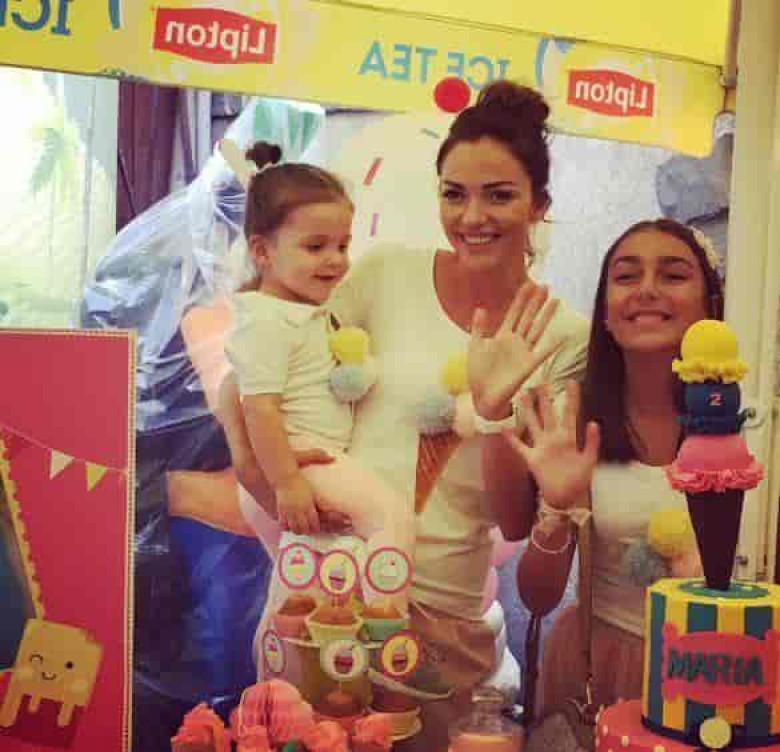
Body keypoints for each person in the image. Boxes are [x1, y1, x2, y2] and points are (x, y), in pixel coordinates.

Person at [220, 80, 590, 750]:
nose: (472, 215)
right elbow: (258, 372)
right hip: (324, 586)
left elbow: (514, 520)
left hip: (440, 617)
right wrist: (257, 469)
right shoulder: (383, 273)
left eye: (499, 195)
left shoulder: (561, 335)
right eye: (453, 193)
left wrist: (494, 409)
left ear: (539, 204)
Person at [484, 219, 724, 715]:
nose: (648, 290)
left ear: (709, 305)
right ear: (607, 315)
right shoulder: (574, 423)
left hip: (726, 667)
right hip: (600, 672)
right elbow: (538, 598)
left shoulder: (751, 423)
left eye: (673, 275)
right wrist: (557, 509)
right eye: (627, 276)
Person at [223, 141, 416, 615]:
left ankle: (294, 649)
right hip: (301, 458)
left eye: (343, 245)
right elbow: (258, 406)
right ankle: (384, 629)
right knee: (392, 519)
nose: (335, 260)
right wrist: (287, 482)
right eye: (315, 247)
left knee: (303, 596)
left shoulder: (296, 311)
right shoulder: (267, 321)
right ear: (262, 251)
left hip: (294, 462)